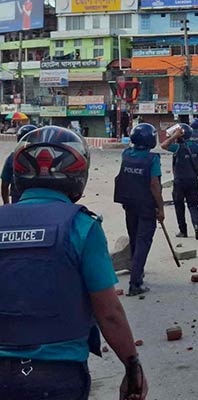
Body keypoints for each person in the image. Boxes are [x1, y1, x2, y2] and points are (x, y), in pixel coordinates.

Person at [0, 126, 147, 400]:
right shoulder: (82, 226)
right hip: (58, 374)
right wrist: (132, 365)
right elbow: (109, 312)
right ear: (78, 175)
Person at [113, 123, 164, 297]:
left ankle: (138, 270)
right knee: (143, 241)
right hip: (146, 206)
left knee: (135, 238)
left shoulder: (126, 154)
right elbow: (154, 184)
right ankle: (135, 283)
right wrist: (160, 207)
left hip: (129, 203)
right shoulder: (152, 159)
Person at [161, 123, 198, 240]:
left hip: (179, 181)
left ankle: (183, 231)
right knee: (193, 205)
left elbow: (163, 145)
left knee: (179, 206)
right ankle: (196, 226)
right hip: (193, 180)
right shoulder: (197, 147)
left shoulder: (177, 147)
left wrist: (173, 137)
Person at [1, 124, 36, 205]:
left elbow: (4, 184)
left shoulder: (13, 157)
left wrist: (7, 205)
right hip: (38, 201)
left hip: (17, 201)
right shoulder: (42, 157)